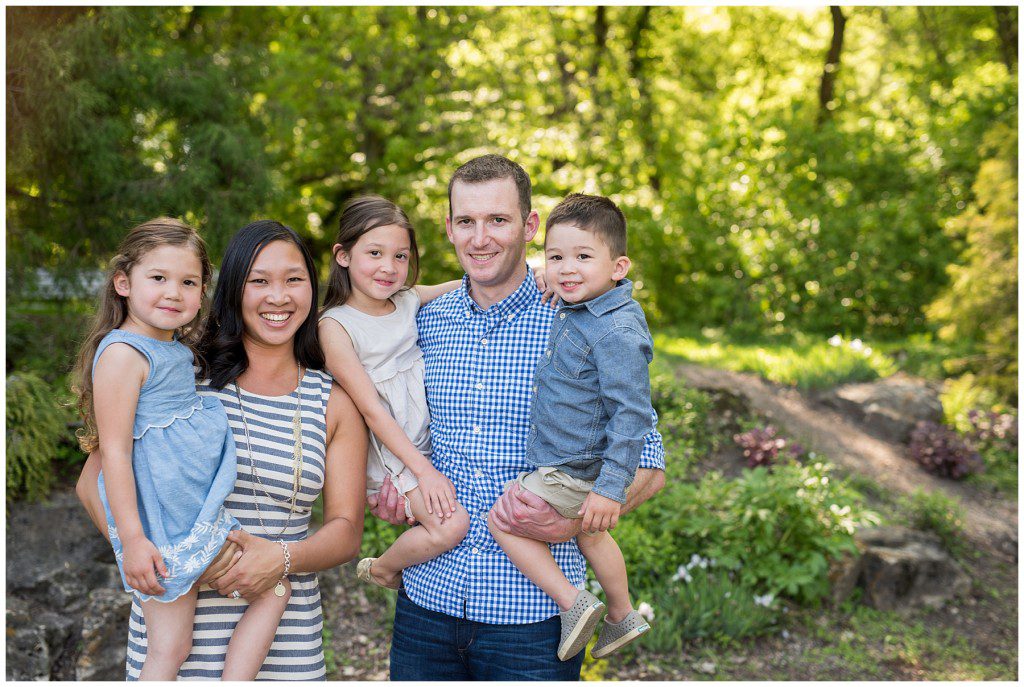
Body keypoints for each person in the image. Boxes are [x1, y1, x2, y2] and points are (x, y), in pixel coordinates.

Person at [369, 154, 666, 680]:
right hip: (427, 605)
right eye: (466, 222)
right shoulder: (423, 323)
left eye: (498, 220)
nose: (480, 238)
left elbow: (648, 462)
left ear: (529, 226)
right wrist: (392, 487)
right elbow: (393, 425)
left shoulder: (577, 320)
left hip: (532, 619)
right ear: (449, 228)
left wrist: (573, 520)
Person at [76, 220, 368, 680]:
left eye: (294, 279)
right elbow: (93, 482)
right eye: (259, 281)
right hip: (175, 649)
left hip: (283, 646)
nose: (278, 297)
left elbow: (348, 531)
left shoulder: (333, 401)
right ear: (233, 290)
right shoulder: (181, 377)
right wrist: (166, 559)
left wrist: (282, 559)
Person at [489, 193, 655, 662]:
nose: (567, 268)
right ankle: (623, 615)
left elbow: (633, 416)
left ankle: (573, 602)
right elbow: (568, 278)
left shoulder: (617, 331)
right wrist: (560, 277)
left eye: (583, 257)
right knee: (592, 535)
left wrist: (609, 489)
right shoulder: (581, 304)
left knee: (504, 520)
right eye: (556, 256)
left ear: (618, 266)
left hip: (571, 466)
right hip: (579, 462)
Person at [317, 195, 469, 590]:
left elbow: (463, 284)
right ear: (343, 255)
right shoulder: (336, 326)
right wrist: (424, 471)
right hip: (394, 459)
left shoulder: (405, 301)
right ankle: (384, 568)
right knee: (451, 526)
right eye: (374, 253)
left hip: (425, 446)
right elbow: (372, 411)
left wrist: (529, 274)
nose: (389, 267)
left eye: (401, 256)